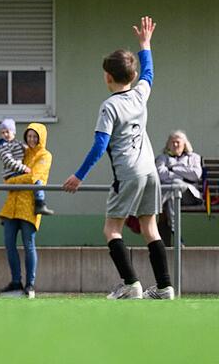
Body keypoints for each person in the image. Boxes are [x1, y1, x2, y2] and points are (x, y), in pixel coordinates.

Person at [63, 16, 174, 300]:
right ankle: (164, 288)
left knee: (112, 229)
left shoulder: (109, 106)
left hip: (128, 173)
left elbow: (100, 146)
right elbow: (148, 72)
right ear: (132, 77)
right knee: (150, 227)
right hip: (150, 171)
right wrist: (145, 44)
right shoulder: (140, 95)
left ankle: (130, 284)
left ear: (107, 77)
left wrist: (79, 175)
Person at [0, 123, 53, 298]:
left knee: (29, 245)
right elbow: (9, 163)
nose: (31, 139)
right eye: (29, 136)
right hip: (11, 205)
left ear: (41, 138)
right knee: (9, 245)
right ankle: (16, 282)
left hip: (29, 206)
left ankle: (30, 285)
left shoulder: (45, 155)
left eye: (35, 136)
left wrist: (10, 182)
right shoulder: (22, 151)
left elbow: (33, 176)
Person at [0, 118, 54, 215]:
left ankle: (40, 203)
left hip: (27, 203)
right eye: (2, 132)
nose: (5, 134)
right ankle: (40, 203)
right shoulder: (4, 146)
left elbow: (33, 177)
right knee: (37, 182)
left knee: (38, 182)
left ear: (13, 133)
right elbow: (8, 161)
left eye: (7, 132)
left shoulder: (43, 155)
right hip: (13, 174)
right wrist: (22, 169)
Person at [155, 130, 203, 246]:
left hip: (189, 195)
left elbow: (196, 174)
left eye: (178, 142)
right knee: (173, 192)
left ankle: (155, 206)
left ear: (185, 144)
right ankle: (176, 235)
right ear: (168, 145)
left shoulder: (194, 157)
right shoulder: (162, 158)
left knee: (175, 185)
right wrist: (183, 174)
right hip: (171, 194)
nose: (175, 145)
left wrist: (172, 169)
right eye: (172, 142)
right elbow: (160, 173)